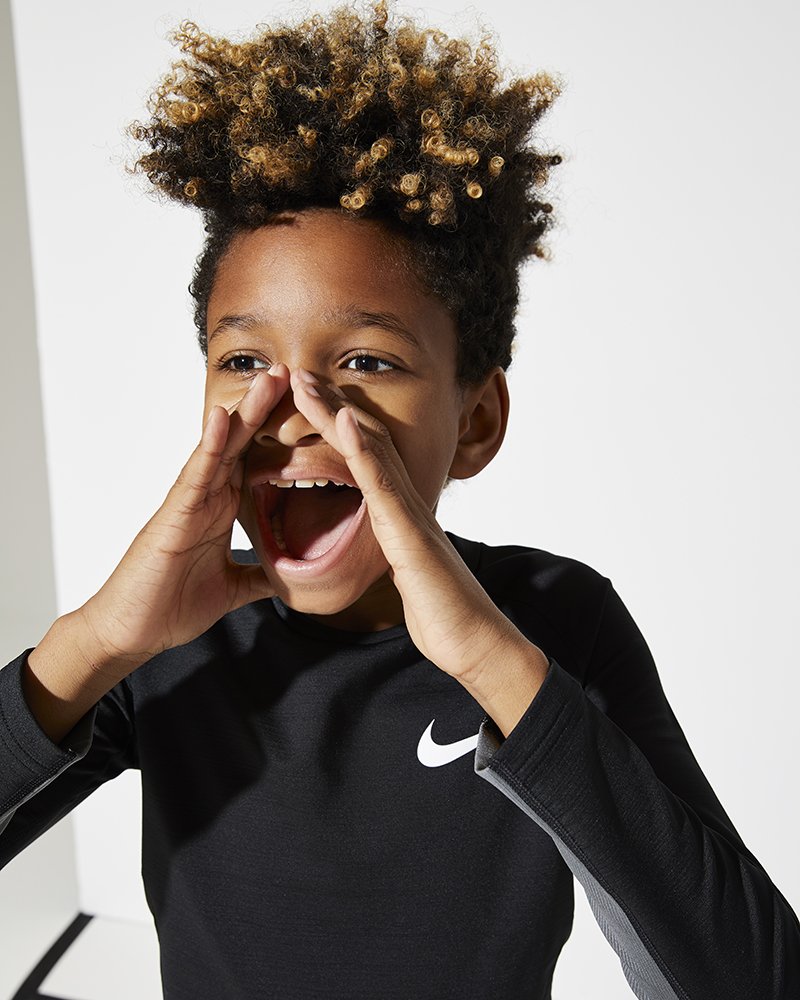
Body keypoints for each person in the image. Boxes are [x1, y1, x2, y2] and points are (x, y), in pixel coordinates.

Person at [1, 2, 798, 998]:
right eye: (243, 358)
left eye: (366, 359)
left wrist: (489, 657)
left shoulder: (555, 621)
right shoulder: (159, 648)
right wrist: (92, 644)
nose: (296, 410)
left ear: (474, 420)